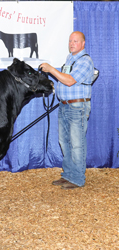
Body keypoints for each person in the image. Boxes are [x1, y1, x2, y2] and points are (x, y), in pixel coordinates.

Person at [40, 31, 94, 190]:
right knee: (65, 142)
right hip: (64, 105)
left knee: (77, 143)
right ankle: (69, 174)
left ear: (83, 44)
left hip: (77, 107)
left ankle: (78, 178)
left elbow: (70, 81)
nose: (72, 44)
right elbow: (64, 80)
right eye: (70, 41)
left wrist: (51, 69)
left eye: (76, 41)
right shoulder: (70, 59)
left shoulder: (85, 61)